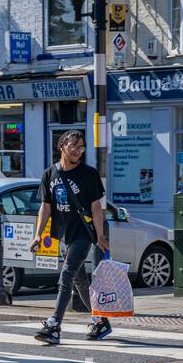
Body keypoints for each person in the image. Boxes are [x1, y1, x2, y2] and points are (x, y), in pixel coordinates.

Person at [32, 130, 112, 345]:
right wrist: (38, 234)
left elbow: (96, 207)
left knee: (66, 275)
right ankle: (100, 319)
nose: (78, 151)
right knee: (79, 280)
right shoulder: (50, 174)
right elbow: (45, 207)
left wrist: (100, 235)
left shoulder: (89, 174)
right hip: (62, 233)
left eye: (81, 147)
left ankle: (54, 325)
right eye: (73, 146)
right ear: (62, 147)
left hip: (83, 234)